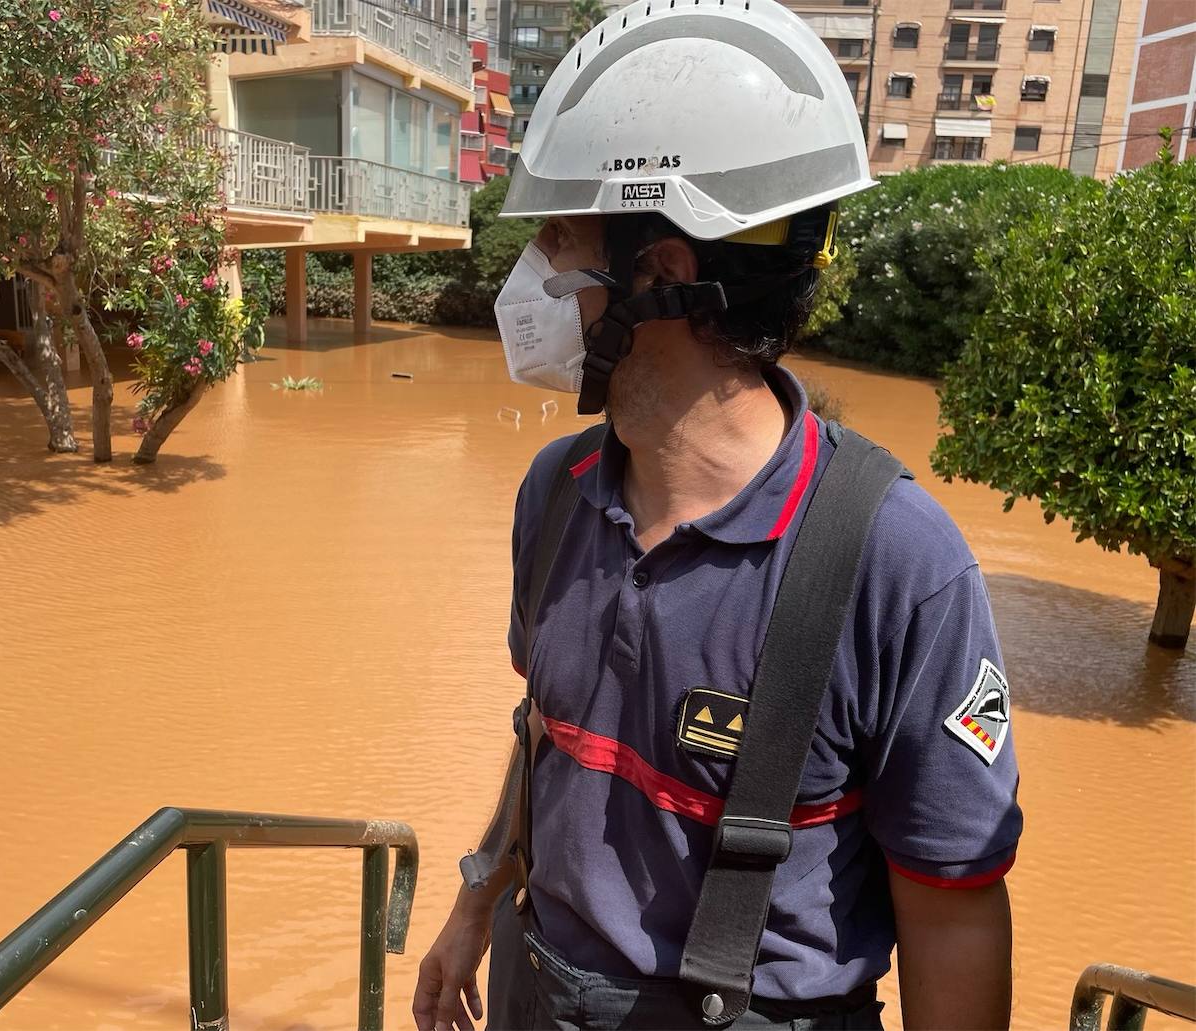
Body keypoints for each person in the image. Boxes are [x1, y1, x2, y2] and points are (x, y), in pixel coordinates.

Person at [414, 0, 1023, 1026]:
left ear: (660, 273)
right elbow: (546, 733)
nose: (533, 278)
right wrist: (478, 894)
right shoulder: (555, 496)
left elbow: (953, 912)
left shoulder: (895, 565)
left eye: (558, 240)